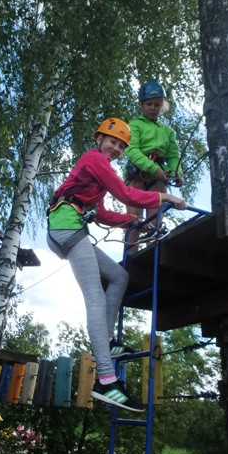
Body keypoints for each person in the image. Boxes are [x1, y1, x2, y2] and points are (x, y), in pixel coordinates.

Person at [46, 117, 186, 412]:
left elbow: (101, 214)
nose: (117, 149)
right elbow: (125, 193)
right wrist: (164, 197)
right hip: (66, 227)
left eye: (122, 146)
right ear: (99, 139)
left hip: (67, 228)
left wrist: (133, 221)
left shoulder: (96, 175)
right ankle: (107, 381)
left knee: (118, 276)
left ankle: (107, 341)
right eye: (113, 142)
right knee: (95, 297)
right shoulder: (95, 159)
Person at [123, 80, 185, 250]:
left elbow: (173, 156)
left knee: (155, 222)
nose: (152, 108)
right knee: (134, 220)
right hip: (137, 176)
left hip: (158, 178)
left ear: (162, 106)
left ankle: (151, 253)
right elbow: (132, 150)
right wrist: (152, 168)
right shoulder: (135, 125)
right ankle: (130, 254)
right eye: (148, 104)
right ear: (142, 105)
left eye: (157, 104)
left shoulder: (168, 131)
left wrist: (176, 173)